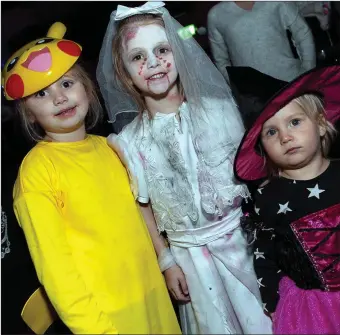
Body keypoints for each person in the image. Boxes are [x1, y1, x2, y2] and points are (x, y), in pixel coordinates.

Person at [96, 2, 272, 334]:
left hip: (244, 246)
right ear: (124, 73)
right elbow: (142, 206)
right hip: (191, 263)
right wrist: (166, 262)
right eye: (137, 57)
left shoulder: (220, 111)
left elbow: (255, 175)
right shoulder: (129, 142)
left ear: (179, 50)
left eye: (162, 49)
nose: (153, 63)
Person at [2, 21, 181, 334]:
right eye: (42, 93)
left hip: (155, 298)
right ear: (28, 113)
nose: (60, 98)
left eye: (67, 84)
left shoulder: (111, 147)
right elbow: (56, 270)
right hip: (107, 317)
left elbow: (141, 216)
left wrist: (165, 263)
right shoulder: (37, 173)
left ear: (86, 87)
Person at [234, 65, 340, 334]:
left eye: (295, 122)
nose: (285, 137)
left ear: (319, 124)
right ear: (262, 148)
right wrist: (270, 299)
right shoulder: (268, 199)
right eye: (271, 132)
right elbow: (264, 254)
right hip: (317, 312)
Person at [207, 1, 316, 84]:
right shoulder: (216, 15)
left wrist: (308, 70)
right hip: (254, 96)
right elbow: (221, 61)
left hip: (291, 81)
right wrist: (238, 86)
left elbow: (302, 32)